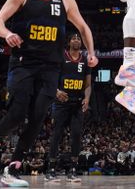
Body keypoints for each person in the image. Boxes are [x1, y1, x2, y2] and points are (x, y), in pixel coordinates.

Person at [0, 0, 97, 188]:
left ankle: (13, 168)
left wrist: (91, 53)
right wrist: (7, 34)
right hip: (24, 63)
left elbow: (83, 27)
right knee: (18, 113)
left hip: (51, 67)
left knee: (38, 118)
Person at [45, 32, 93, 184]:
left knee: (77, 135)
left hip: (77, 102)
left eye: (79, 38)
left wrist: (87, 98)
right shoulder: (61, 56)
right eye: (74, 38)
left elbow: (88, 84)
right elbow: (50, 77)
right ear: (69, 42)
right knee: (57, 134)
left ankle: (73, 169)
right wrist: (56, 91)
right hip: (61, 102)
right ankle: (51, 170)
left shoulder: (85, 59)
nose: (77, 40)